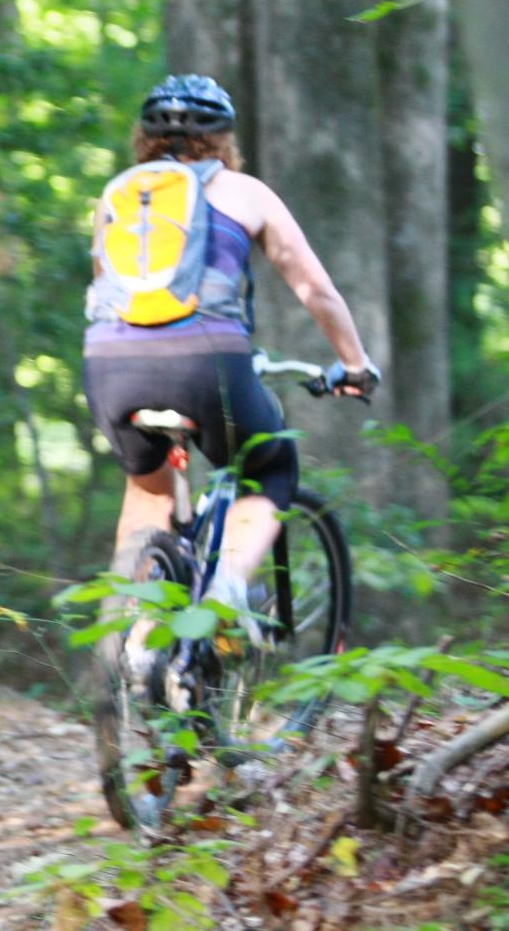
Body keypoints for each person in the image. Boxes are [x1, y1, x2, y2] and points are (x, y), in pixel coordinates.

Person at [82, 74, 380, 674]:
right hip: (207, 360)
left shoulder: (116, 193)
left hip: (110, 364)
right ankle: (226, 592)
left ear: (143, 139)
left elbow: (105, 287)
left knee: (148, 486)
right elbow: (314, 287)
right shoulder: (244, 191)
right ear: (223, 140)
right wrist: (354, 363)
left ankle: (136, 640)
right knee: (270, 467)